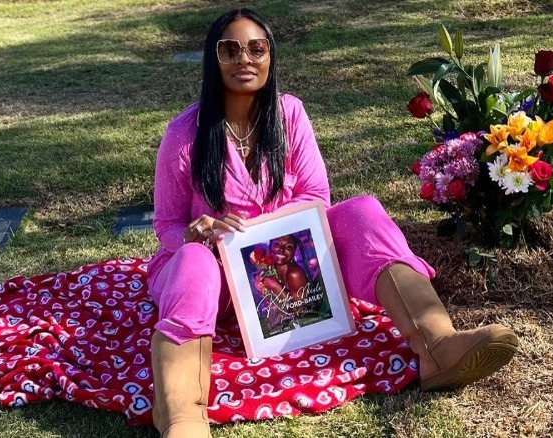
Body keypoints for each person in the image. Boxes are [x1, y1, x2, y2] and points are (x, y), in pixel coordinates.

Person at [147, 8, 519, 438]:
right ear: (214, 61)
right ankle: (180, 413)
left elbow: (316, 197)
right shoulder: (184, 134)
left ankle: (436, 345)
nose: (244, 59)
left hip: (294, 267)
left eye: (256, 48)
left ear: (271, 58)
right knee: (193, 259)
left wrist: (260, 234)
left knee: (361, 210)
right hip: (216, 283)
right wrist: (200, 233)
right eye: (229, 50)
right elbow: (167, 225)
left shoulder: (289, 115)